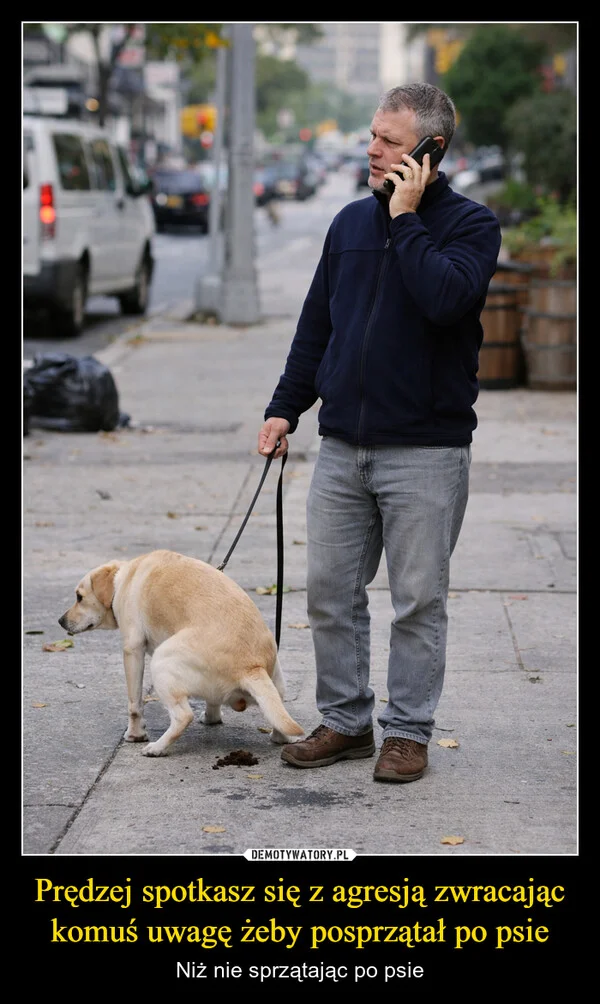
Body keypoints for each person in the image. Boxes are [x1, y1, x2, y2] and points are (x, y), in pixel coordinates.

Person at [257, 82, 502, 783]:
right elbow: (317, 326)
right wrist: (285, 407)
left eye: (390, 141)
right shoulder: (345, 227)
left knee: (418, 600)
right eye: (373, 135)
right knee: (329, 592)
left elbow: (447, 298)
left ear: (431, 150)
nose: (372, 149)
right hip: (342, 447)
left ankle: (408, 733)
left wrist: (405, 217)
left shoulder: (469, 227)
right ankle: (345, 720)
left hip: (426, 451)